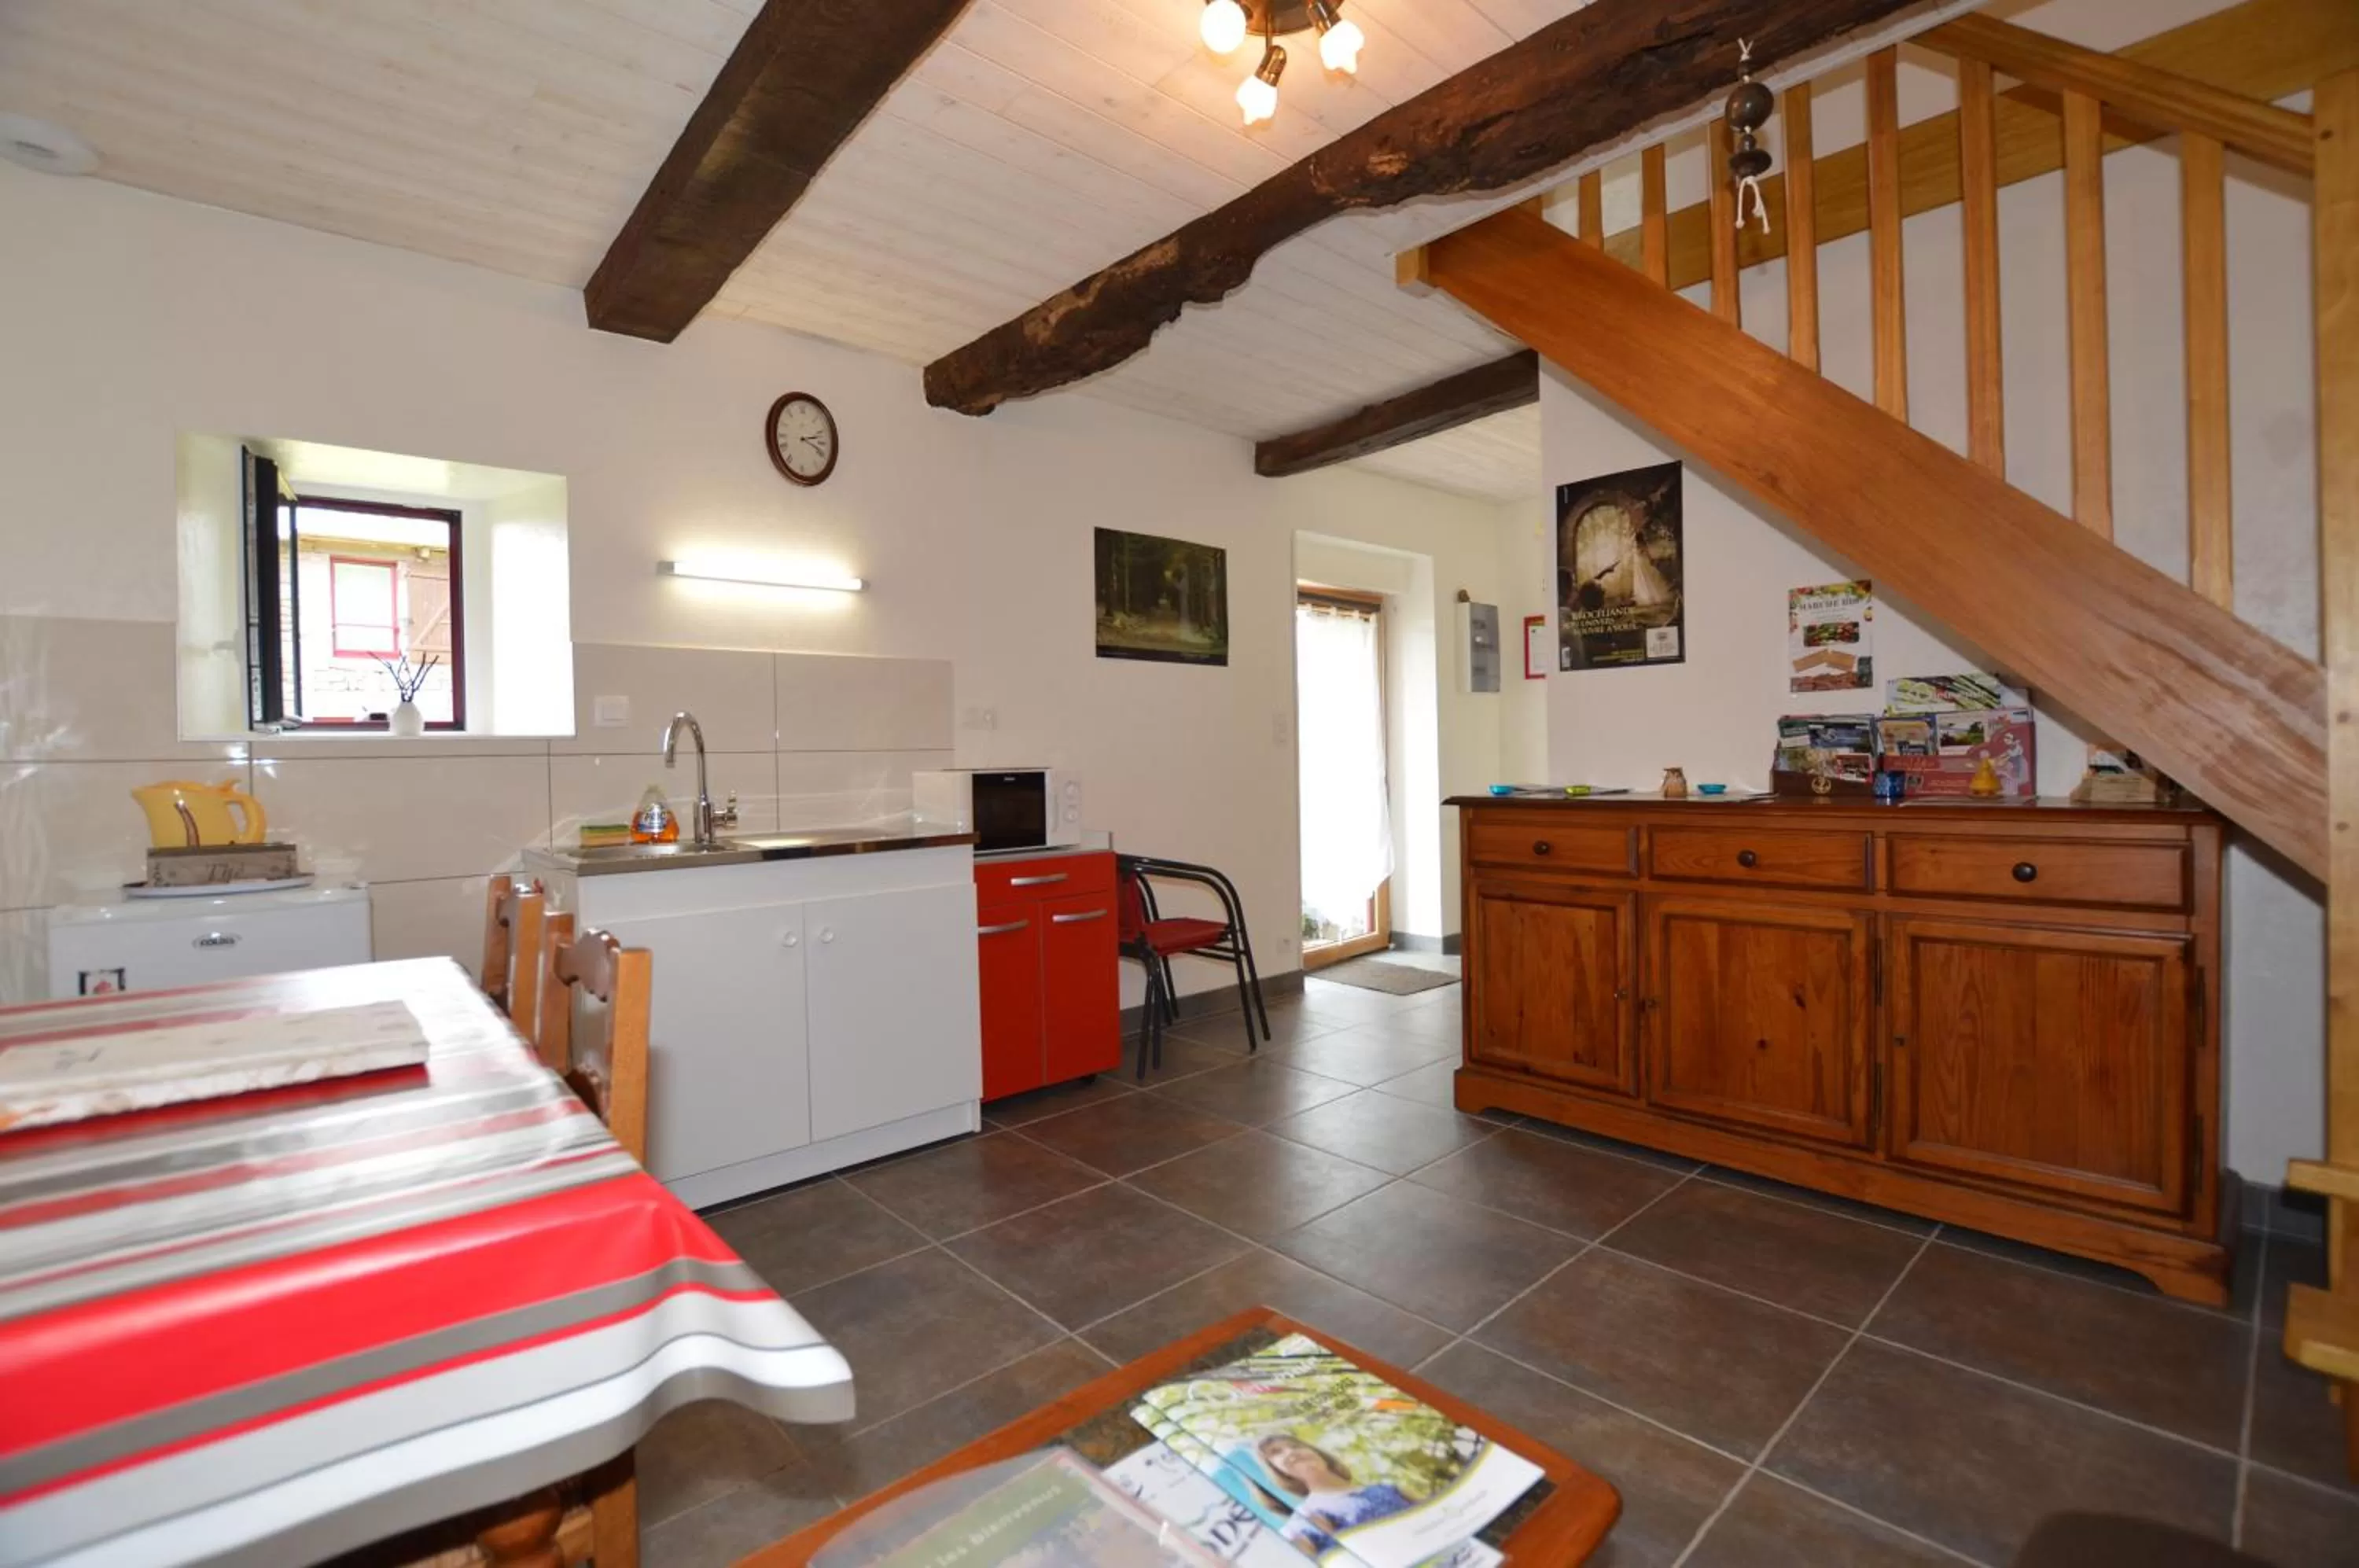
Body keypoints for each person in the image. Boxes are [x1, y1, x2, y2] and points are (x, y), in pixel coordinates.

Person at [1257, 1434, 1417, 1559]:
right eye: (1276, 1452)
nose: (1292, 1452)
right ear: (1276, 1471)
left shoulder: (1388, 1489)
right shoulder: (1304, 1517)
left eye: (1295, 1446)